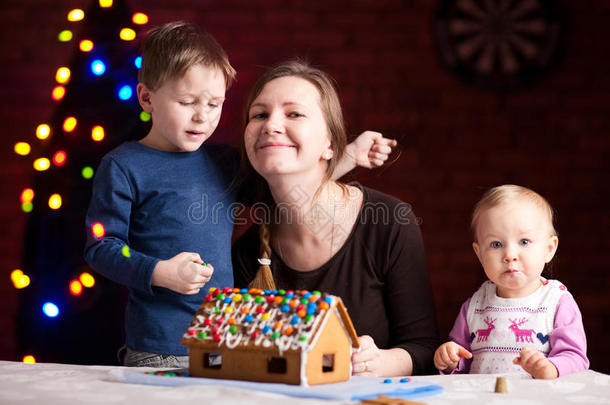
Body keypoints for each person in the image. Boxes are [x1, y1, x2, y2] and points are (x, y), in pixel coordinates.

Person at [84, 22, 396, 368]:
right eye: (187, 102)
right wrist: (160, 272)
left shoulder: (223, 162)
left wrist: (349, 156)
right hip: (158, 348)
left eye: (214, 104)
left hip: (222, 344)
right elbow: (103, 247)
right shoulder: (124, 166)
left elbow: (283, 198)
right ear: (146, 98)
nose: (202, 116)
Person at [232, 61, 439, 377]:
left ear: (330, 144)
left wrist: (383, 361)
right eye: (259, 114)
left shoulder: (388, 223)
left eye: (294, 114)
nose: (270, 125)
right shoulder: (249, 252)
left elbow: (424, 350)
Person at [433, 185, 589, 378]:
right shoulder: (475, 305)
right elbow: (462, 358)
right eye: (496, 244)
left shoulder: (556, 302)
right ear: (480, 254)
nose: (509, 255)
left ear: (549, 248)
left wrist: (550, 367)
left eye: (524, 242)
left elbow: (575, 357)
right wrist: (451, 359)